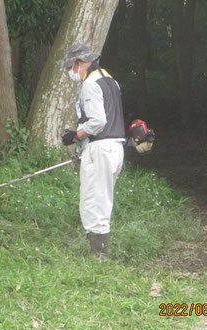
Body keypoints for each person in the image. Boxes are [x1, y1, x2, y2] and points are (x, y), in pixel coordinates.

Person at [58, 43, 125, 259]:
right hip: (115, 147)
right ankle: (99, 252)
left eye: (70, 67)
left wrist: (75, 136)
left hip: (101, 148)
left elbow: (97, 121)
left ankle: (100, 257)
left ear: (78, 64)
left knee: (93, 201)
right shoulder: (111, 81)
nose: (71, 73)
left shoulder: (90, 84)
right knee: (102, 199)